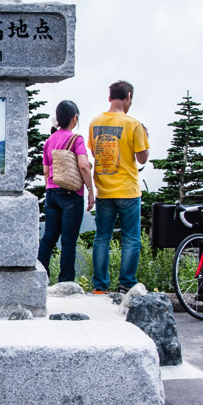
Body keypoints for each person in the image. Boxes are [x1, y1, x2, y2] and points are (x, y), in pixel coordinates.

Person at [88, 80, 150, 294]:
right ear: (129, 97)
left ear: (109, 97)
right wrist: (146, 138)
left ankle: (99, 287)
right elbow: (142, 159)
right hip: (128, 190)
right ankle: (126, 285)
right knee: (131, 238)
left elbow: (96, 153)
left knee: (102, 237)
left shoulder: (95, 122)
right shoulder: (134, 124)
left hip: (104, 189)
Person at [37, 100, 95, 284]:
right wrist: (90, 191)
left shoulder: (49, 141)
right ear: (74, 118)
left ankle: (40, 279)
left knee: (48, 239)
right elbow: (84, 166)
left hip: (52, 193)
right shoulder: (76, 139)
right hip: (71, 194)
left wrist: (51, 188)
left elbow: (46, 171)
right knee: (68, 242)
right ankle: (65, 283)